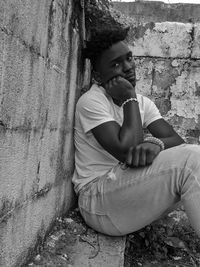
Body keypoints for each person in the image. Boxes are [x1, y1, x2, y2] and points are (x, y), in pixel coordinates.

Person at [72, 26, 200, 237]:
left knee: (193, 158)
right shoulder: (92, 102)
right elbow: (128, 151)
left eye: (129, 58)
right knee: (192, 161)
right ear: (97, 75)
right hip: (96, 201)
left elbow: (176, 141)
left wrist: (156, 143)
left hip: (125, 190)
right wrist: (129, 97)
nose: (128, 67)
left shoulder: (144, 103)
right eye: (116, 64)